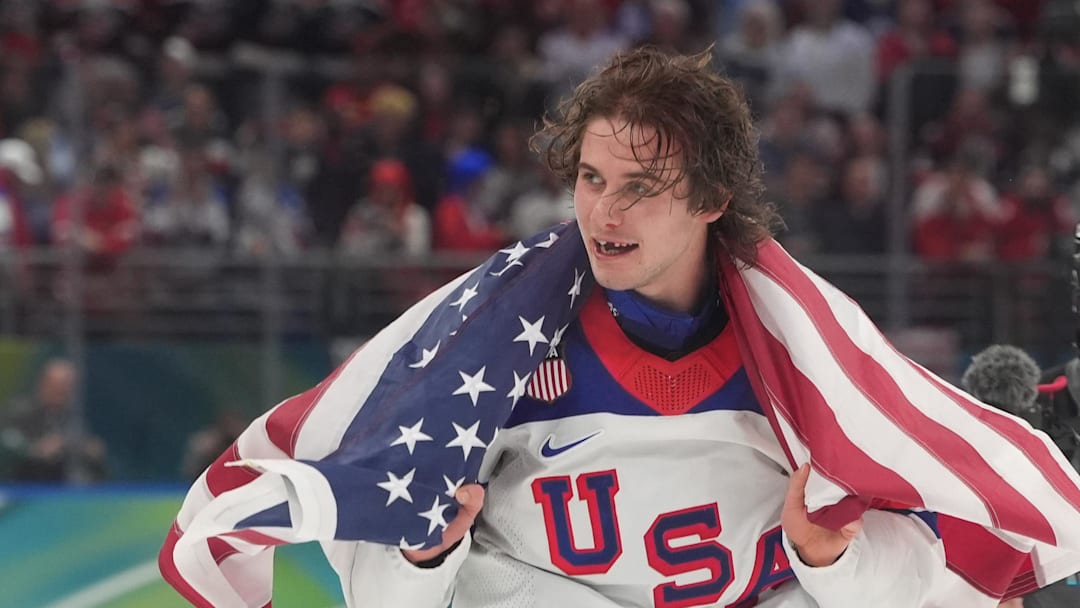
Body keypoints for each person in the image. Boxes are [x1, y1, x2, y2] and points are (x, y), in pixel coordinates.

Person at [160, 47, 1080, 608]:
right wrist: (425, 553)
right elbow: (393, 592)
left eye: (641, 187)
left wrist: (829, 555)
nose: (605, 211)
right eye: (592, 179)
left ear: (712, 200)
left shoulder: (803, 365)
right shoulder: (497, 347)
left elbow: (916, 584)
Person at [0, 358, 106, 482]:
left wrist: (88, 449)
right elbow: (7, 441)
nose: (62, 393)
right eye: (58, 387)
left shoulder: (73, 418)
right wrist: (34, 449)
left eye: (67, 388)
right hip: (21, 484)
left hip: (62, 485)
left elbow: (86, 446)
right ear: (43, 384)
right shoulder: (18, 411)